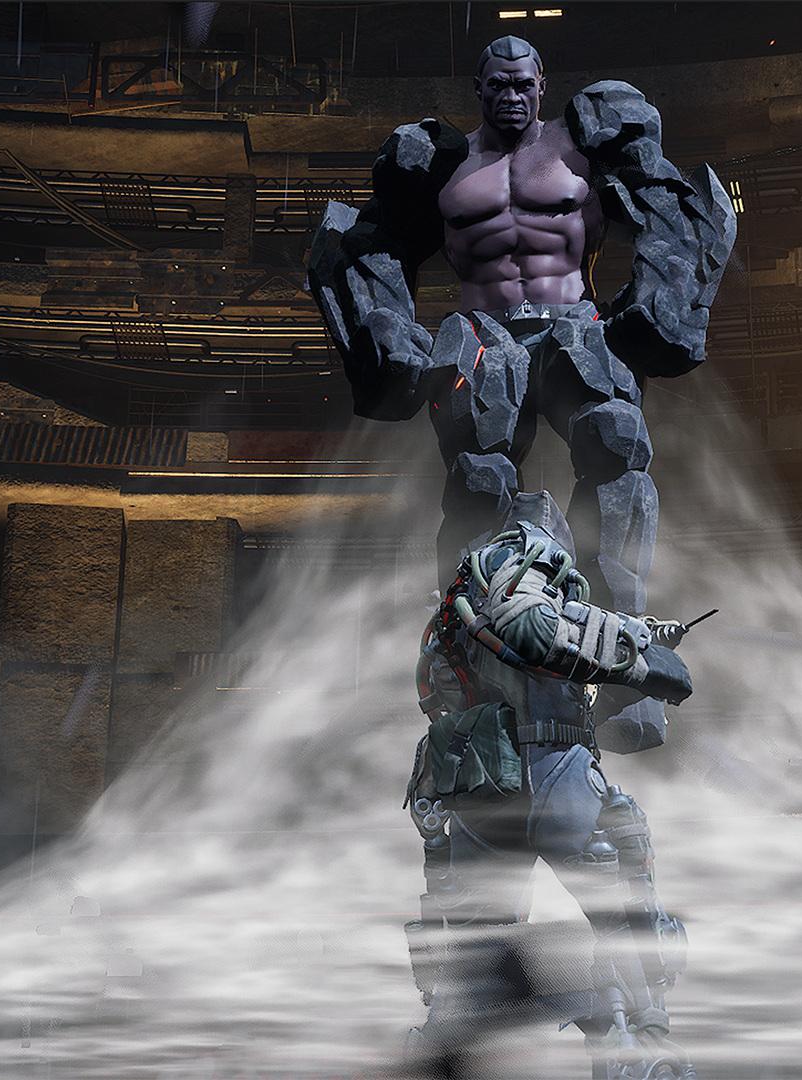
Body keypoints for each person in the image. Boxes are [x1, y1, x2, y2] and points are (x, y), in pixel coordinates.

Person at [309, 34, 734, 754]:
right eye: (498, 85)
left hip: (576, 324)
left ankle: (624, 674)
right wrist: (391, 334)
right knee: (479, 487)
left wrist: (655, 306)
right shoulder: (440, 163)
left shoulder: (584, 142)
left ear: (542, 85)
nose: (511, 95)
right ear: (478, 89)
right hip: (483, 331)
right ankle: (477, 677)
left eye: (523, 84)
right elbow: (373, 244)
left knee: (618, 458)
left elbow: (665, 203)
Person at [403, 491, 697, 1078]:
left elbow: (436, 687)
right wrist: (641, 658)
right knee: (623, 907)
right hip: (549, 766)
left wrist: (632, 636)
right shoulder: (529, 551)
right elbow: (531, 627)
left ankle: (448, 1053)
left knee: (475, 947)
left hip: (479, 782)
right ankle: (639, 1050)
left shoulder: (462, 597)